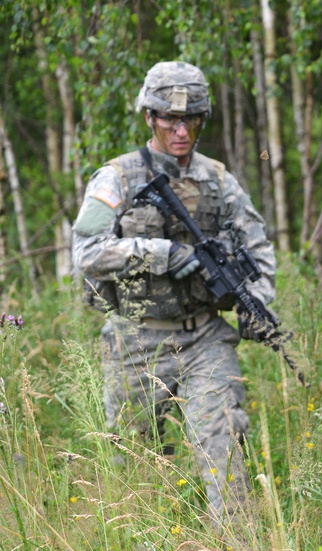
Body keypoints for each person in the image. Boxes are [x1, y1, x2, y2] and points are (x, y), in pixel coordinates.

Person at [72, 61, 276, 525]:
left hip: (205, 337)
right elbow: (86, 252)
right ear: (150, 117)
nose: (181, 130)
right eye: (170, 120)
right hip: (135, 340)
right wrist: (160, 254)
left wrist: (260, 301)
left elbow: (258, 248)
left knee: (223, 441)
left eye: (192, 120)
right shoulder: (117, 178)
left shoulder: (219, 181)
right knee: (133, 465)